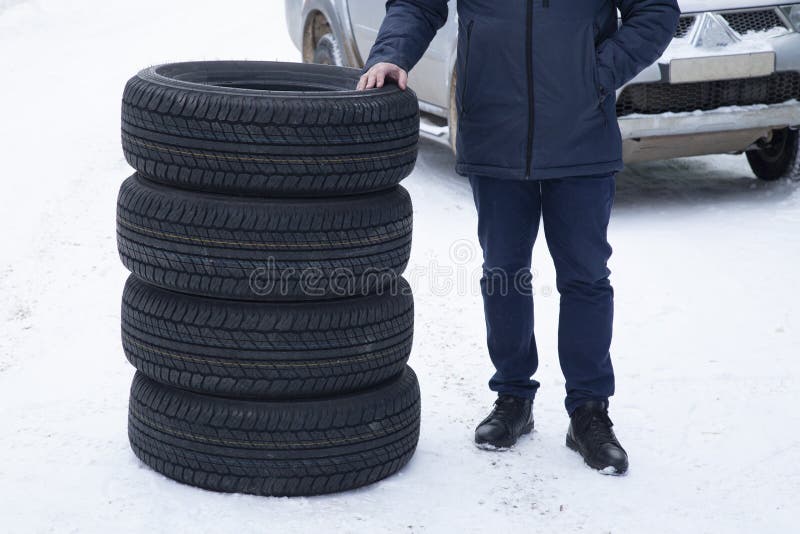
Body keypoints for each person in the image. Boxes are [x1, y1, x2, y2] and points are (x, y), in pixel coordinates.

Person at [357, 0, 680, 474]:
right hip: (494, 125)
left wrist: (595, 73)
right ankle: (513, 397)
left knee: (585, 276)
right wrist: (391, 54)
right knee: (503, 271)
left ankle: (589, 411)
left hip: (581, 133)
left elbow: (655, 11)